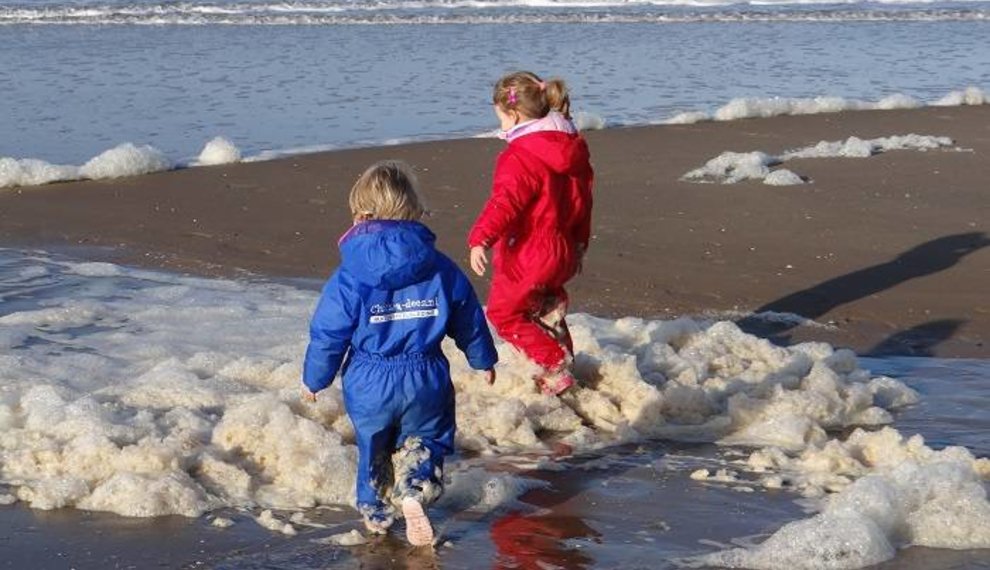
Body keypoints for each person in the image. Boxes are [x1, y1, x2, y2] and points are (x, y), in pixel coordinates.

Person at [302, 160, 498, 546]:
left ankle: (376, 512)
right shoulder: (440, 268)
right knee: (426, 439)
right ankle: (414, 490)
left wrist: (315, 378)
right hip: (426, 376)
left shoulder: (349, 276)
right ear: (415, 211)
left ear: (360, 215)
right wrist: (483, 359)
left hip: (369, 380)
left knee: (374, 445)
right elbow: (468, 316)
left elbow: (328, 332)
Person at [468, 71, 594, 396]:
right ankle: (565, 360)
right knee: (544, 305)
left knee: (504, 312)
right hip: (563, 247)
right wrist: (579, 244)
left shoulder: (520, 155)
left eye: (502, 119)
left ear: (514, 114)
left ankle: (554, 366)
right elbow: (583, 202)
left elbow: (505, 202)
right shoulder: (572, 151)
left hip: (530, 250)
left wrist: (481, 238)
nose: (502, 127)